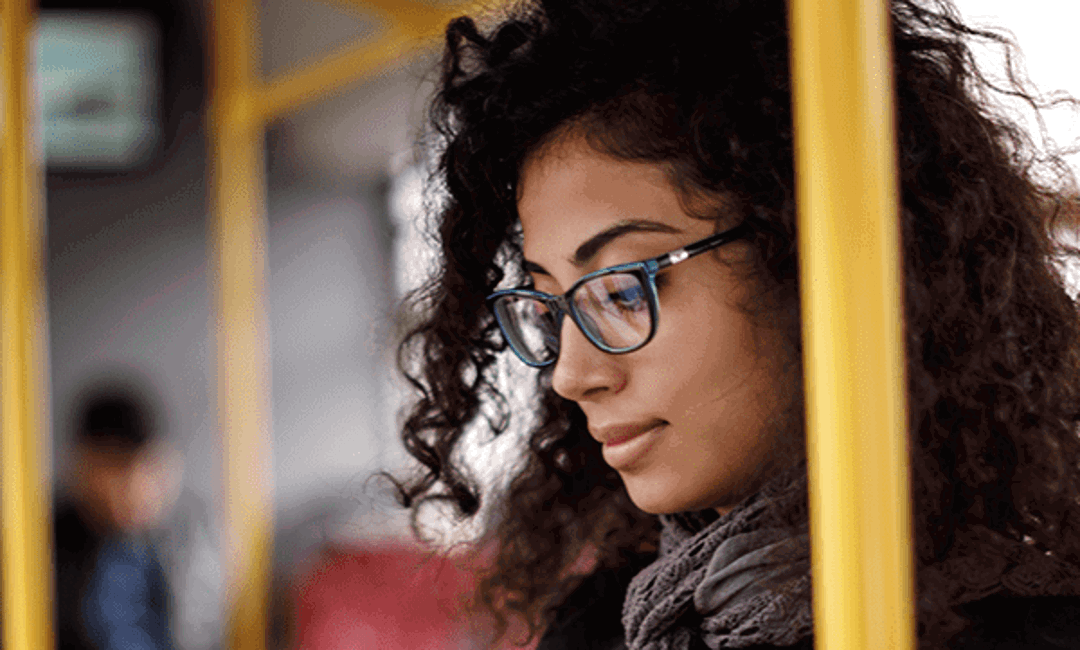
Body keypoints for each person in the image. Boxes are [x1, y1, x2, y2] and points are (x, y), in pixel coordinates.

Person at [390, 1, 1080, 648]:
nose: (572, 375)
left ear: (809, 262)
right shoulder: (599, 622)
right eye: (548, 307)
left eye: (625, 290)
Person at [55, 384, 182, 650]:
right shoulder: (41, 551)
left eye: (148, 465)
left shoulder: (178, 544)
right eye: (118, 466)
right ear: (83, 464)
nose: (137, 485)